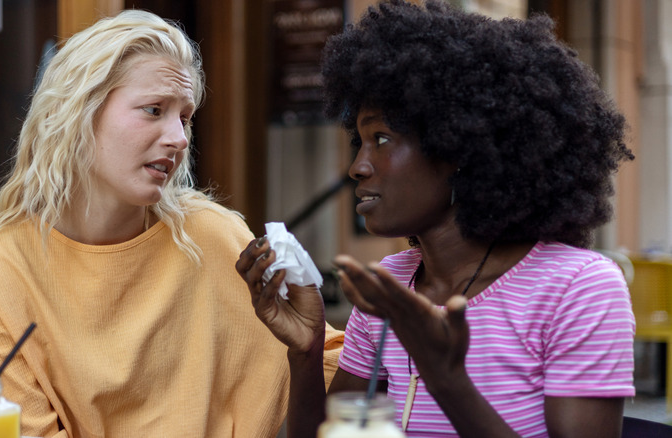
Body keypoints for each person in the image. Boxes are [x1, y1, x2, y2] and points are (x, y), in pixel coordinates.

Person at [236, 1, 636, 437]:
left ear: (458, 150)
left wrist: (447, 378)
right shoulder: (392, 281)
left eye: (382, 139)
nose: (358, 167)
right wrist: (308, 349)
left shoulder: (578, 287)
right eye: (360, 142)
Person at [0, 10, 342, 438]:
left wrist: (310, 345)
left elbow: (345, 385)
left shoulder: (214, 236)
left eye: (185, 117)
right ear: (77, 112)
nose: (178, 138)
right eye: (154, 109)